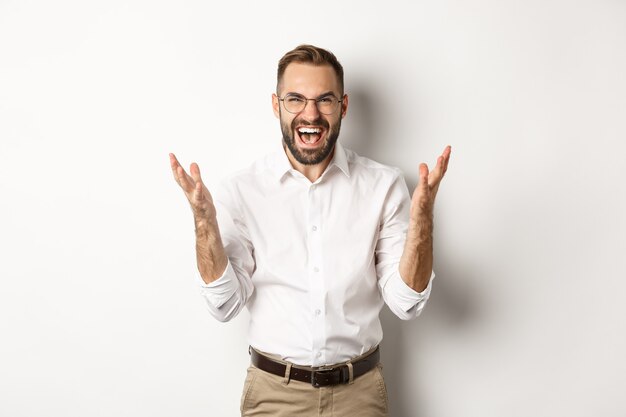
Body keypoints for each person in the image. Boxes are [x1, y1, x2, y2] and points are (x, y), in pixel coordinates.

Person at [170, 44, 451, 417]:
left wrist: (423, 225)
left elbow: (406, 303)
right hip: (273, 395)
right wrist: (204, 223)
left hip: (360, 396)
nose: (311, 114)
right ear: (276, 105)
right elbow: (224, 305)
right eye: (295, 99)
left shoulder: (383, 185)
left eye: (325, 100)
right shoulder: (242, 190)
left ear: (343, 107)